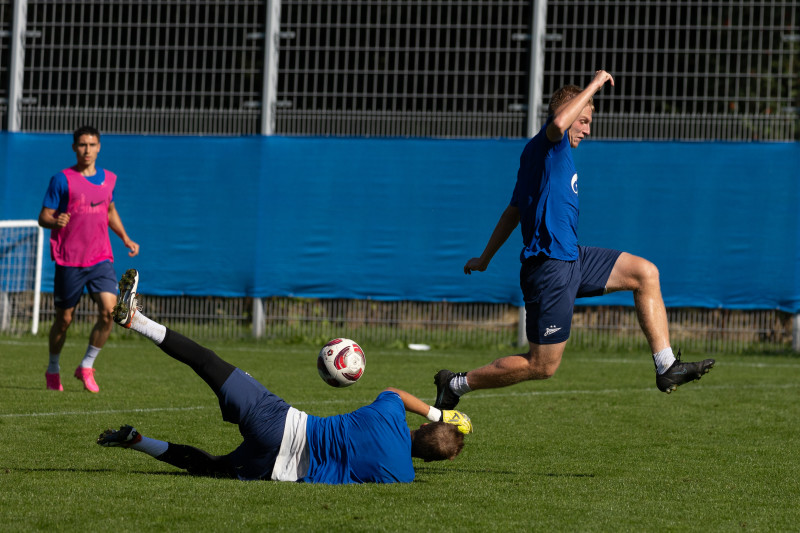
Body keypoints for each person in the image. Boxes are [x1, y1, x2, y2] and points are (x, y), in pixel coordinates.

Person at [434, 70, 714, 410]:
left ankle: (666, 366)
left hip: (572, 258)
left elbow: (513, 210)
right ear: (567, 114)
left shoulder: (547, 156)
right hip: (549, 267)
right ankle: (456, 384)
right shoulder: (548, 144)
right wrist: (594, 84)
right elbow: (556, 126)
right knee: (543, 366)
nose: (588, 129)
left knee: (645, 273)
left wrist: (485, 258)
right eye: (582, 120)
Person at [97, 269, 472, 484]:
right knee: (209, 467)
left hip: (280, 421)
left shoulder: (389, 415)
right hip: (277, 468)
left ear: (421, 430)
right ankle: (138, 441)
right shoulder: (400, 476)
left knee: (206, 362)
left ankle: (138, 321)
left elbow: (394, 392)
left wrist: (439, 415)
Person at [38, 126, 140, 393]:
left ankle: (86, 366)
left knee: (110, 312)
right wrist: (54, 220)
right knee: (64, 320)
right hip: (69, 260)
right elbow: (43, 217)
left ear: (99, 147)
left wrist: (125, 238)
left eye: (92, 144)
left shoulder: (109, 179)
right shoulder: (62, 179)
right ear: (74, 147)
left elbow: (110, 210)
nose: (87, 149)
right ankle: (52, 368)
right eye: (82, 144)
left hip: (100, 258)